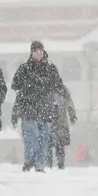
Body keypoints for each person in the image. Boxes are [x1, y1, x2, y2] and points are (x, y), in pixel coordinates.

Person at [10, 41, 70, 173]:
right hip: (29, 108)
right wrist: (27, 89)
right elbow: (15, 86)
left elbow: (58, 85)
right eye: (36, 51)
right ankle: (28, 161)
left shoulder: (50, 68)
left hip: (45, 108)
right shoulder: (24, 68)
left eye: (40, 50)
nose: (39, 53)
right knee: (31, 137)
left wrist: (58, 94)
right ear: (32, 52)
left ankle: (39, 164)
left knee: (43, 138)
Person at [48, 91, 80, 169]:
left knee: (50, 143)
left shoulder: (46, 87)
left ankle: (49, 163)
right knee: (59, 144)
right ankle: (59, 162)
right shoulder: (62, 89)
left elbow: (69, 104)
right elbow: (69, 104)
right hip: (59, 121)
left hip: (50, 121)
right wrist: (72, 116)